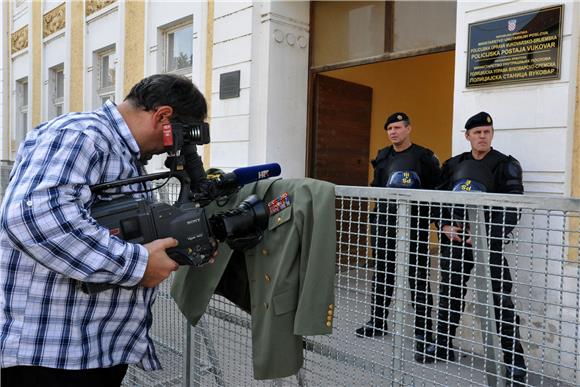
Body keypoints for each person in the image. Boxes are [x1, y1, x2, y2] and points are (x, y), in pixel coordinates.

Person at [0, 74, 208, 386]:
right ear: (162, 117)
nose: (173, 149)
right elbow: (34, 217)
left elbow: (119, 231)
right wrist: (137, 265)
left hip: (93, 349)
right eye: (178, 138)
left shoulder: (118, 150)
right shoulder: (83, 135)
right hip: (51, 356)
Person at [424, 112, 527, 385]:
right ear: (467, 136)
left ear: (492, 134)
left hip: (488, 247)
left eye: (487, 132)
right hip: (455, 244)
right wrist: (444, 226)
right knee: (449, 295)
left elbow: (512, 208)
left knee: (499, 302)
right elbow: (437, 199)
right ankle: (443, 344)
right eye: (477, 132)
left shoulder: (506, 165)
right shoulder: (453, 164)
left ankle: (514, 362)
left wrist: (486, 236)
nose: (482, 136)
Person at [355, 112, 441, 362]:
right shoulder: (383, 156)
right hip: (385, 225)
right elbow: (377, 187)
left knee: (417, 278)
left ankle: (424, 334)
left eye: (397, 127)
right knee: (383, 273)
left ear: (408, 129)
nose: (393, 132)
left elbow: (436, 189)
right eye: (389, 128)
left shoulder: (424, 157)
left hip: (414, 227)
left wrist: (436, 221)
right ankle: (378, 321)